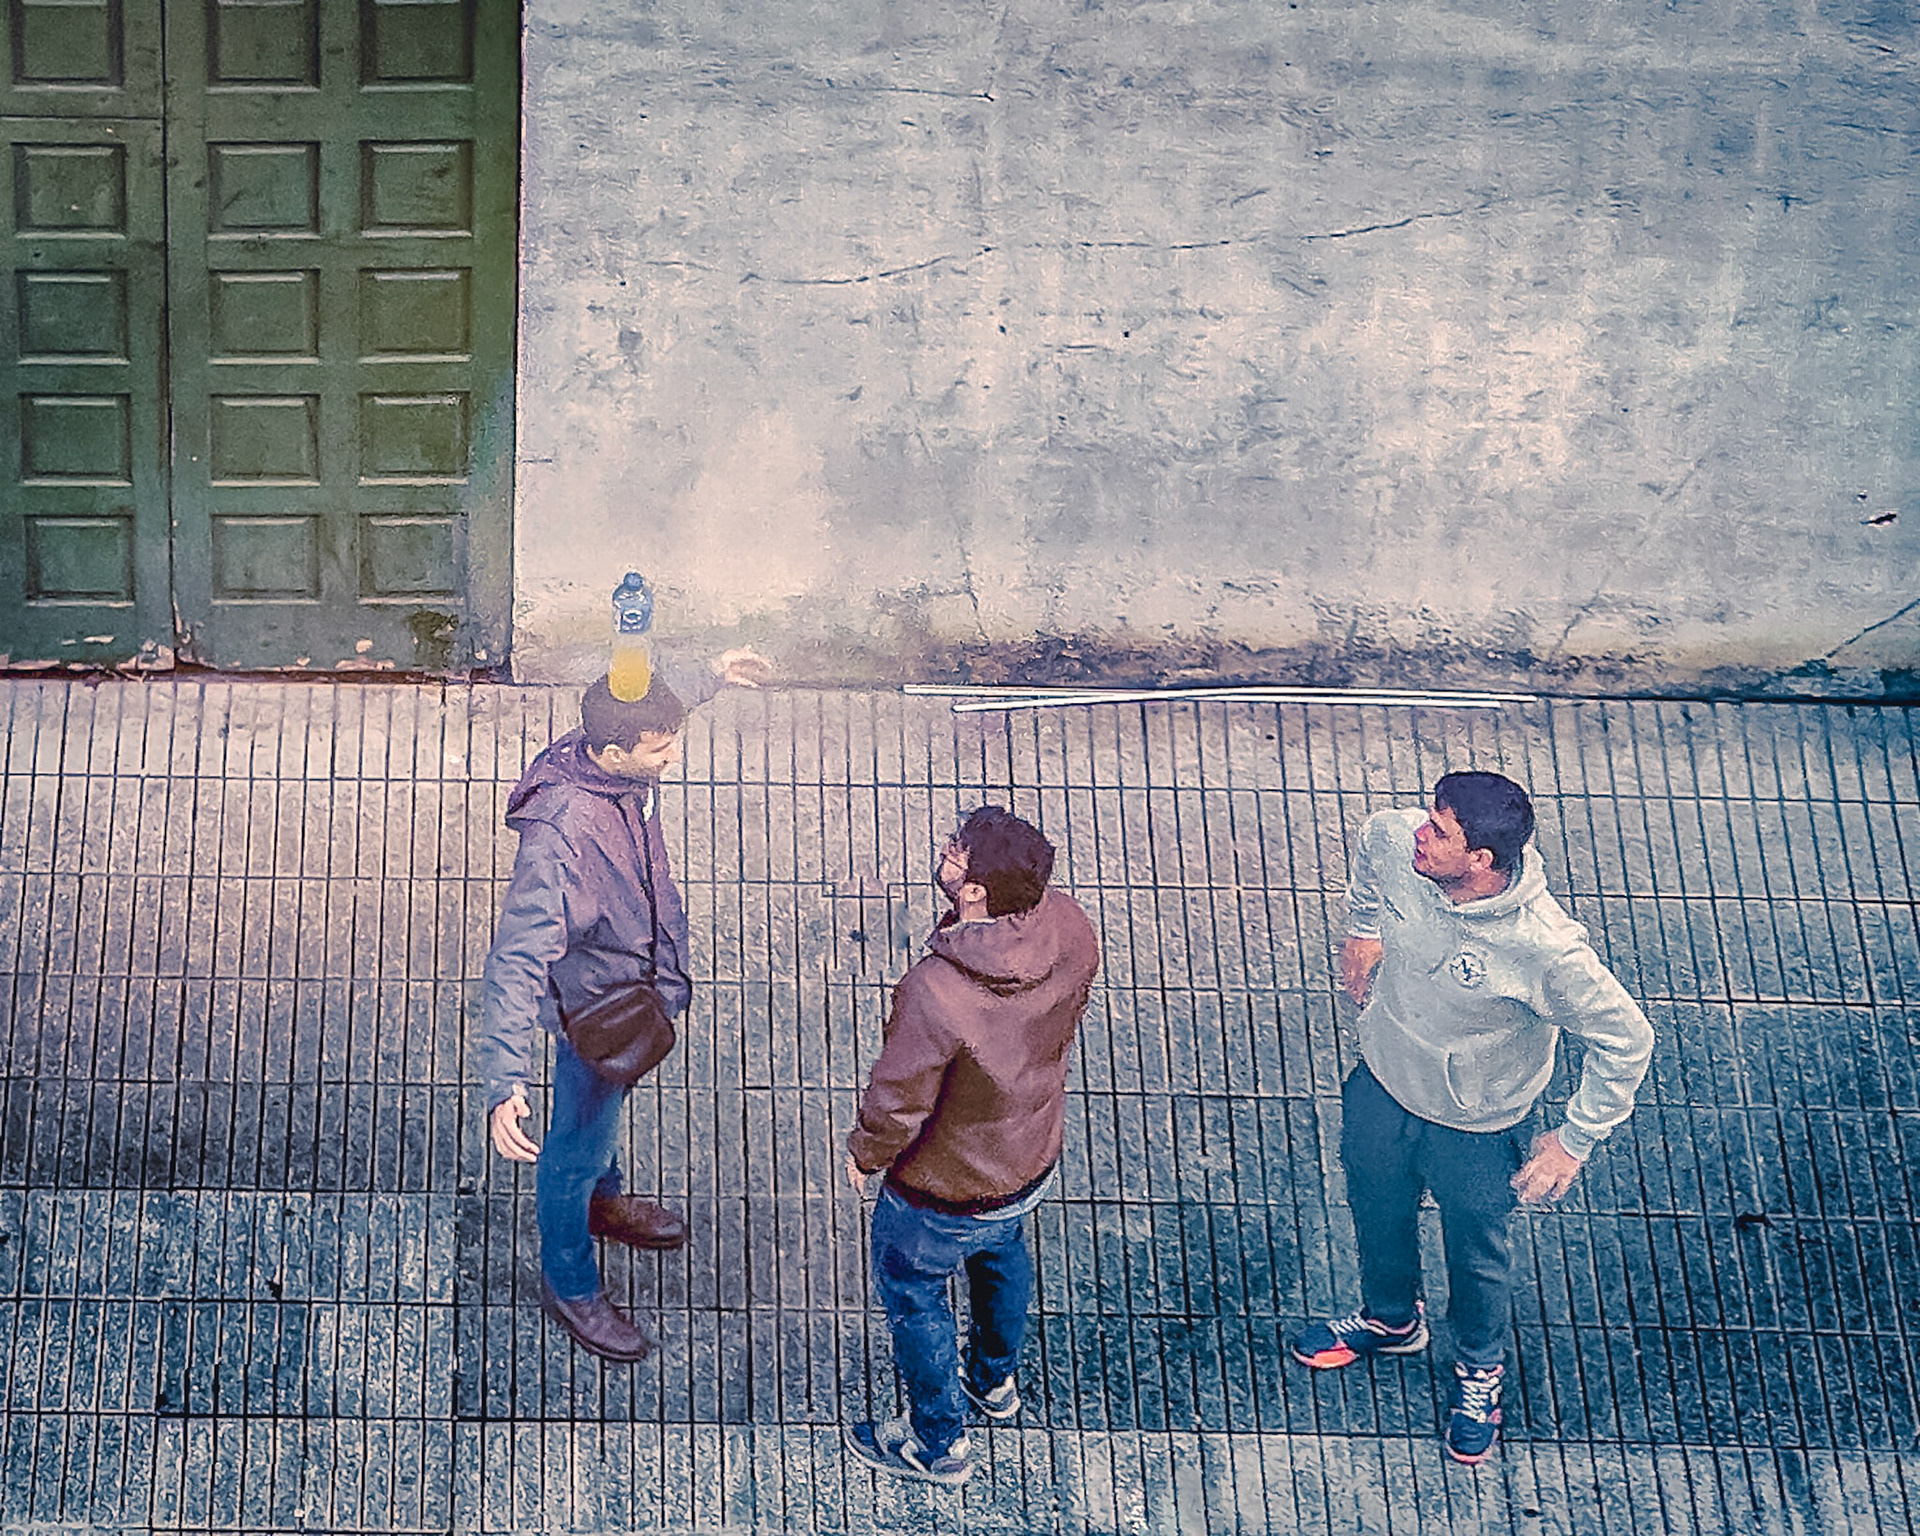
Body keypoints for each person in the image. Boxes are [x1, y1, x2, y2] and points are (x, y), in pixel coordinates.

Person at [1292, 771, 1654, 1464]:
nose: (1418, 834)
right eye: (1429, 817)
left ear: (1482, 861)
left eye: (1440, 830)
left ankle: (1479, 1370)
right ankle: (1391, 1319)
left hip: (1479, 1128)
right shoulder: (1398, 841)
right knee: (1376, 1210)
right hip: (1383, 1085)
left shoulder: (1547, 950)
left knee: (1477, 1257)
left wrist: (1575, 1140)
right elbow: (1374, 856)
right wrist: (1363, 932)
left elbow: (1628, 1039)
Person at [477, 649, 769, 1363]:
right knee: (571, 1151)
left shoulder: (609, 755)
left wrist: (711, 674)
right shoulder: (563, 842)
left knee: (598, 1120)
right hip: (597, 1012)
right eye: (661, 746)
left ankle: (603, 1204)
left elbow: (638, 687)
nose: (673, 755)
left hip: (630, 992)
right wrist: (501, 1081)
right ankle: (570, 1281)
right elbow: (517, 956)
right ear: (614, 753)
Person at [841, 806, 1100, 1486]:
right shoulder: (1070, 925)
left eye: (956, 851)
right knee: (1001, 1257)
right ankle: (994, 1381)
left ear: (975, 891)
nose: (945, 852)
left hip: (943, 1187)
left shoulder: (937, 990)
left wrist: (866, 1154)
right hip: (1029, 1157)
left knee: (916, 1297)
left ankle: (938, 1443)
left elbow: (899, 1099)